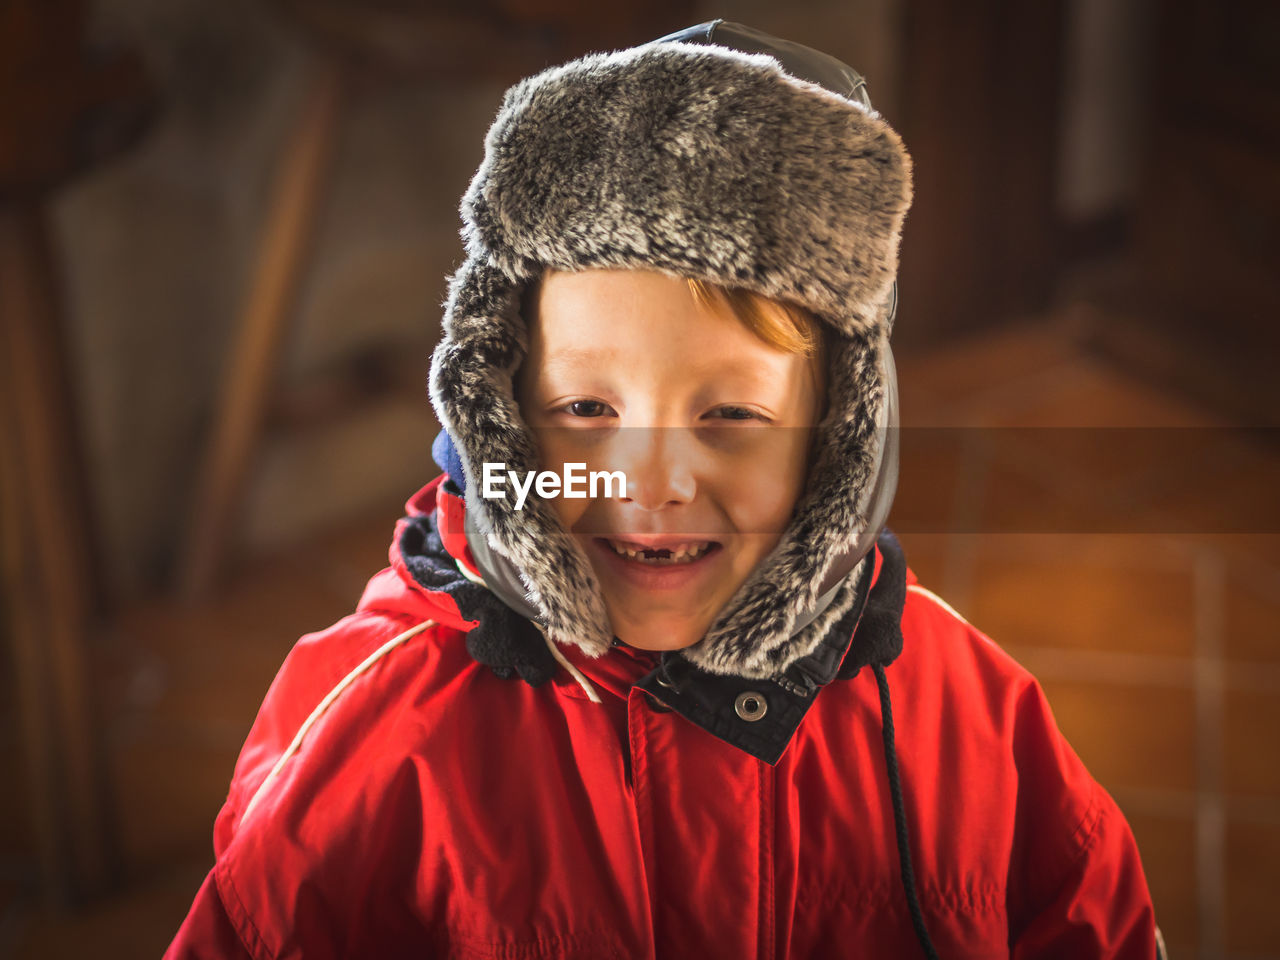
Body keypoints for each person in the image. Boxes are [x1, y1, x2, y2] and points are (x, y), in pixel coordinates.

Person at [165, 21, 1163, 959]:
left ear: (837, 448)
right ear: (501, 413)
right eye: (586, 410)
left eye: (729, 417)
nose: (651, 480)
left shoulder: (963, 720)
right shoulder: (377, 739)